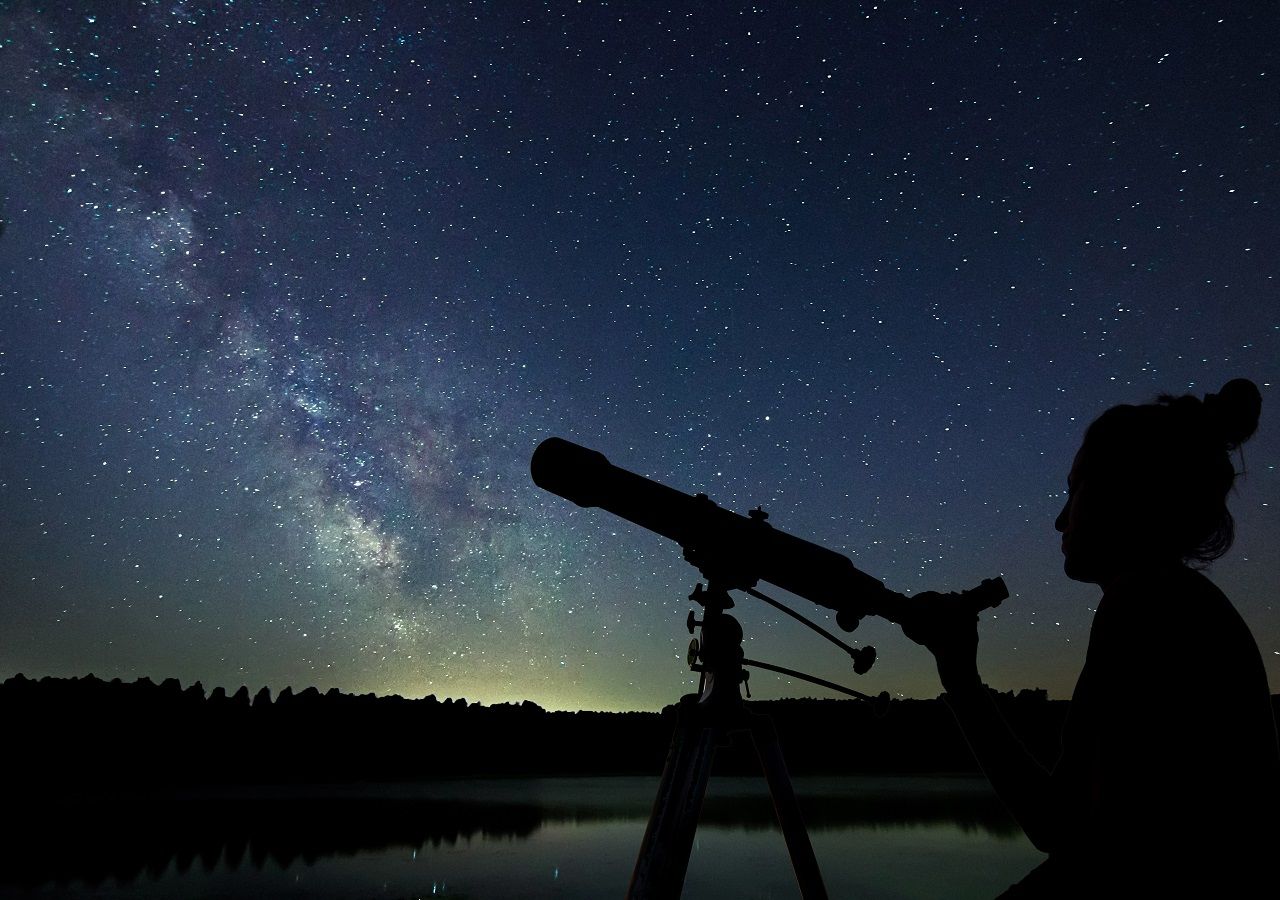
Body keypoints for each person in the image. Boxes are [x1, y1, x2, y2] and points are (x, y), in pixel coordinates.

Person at [898, 379, 1279, 896]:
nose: (1060, 520)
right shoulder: (1174, 602)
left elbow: (1064, 828)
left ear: (1126, 493)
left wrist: (960, 676)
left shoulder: (1147, 607)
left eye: (1074, 490)